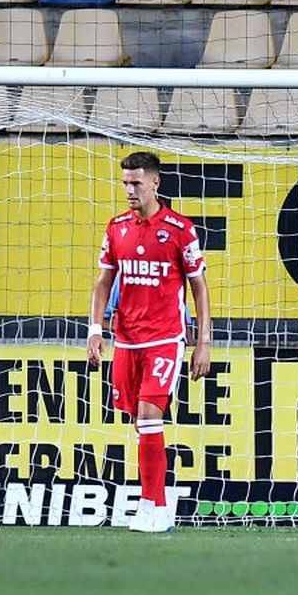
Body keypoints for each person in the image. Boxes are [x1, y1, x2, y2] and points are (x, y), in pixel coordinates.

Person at [87, 151, 211, 533]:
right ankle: (150, 502)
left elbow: (200, 289)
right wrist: (95, 329)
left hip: (165, 338)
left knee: (149, 416)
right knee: (139, 424)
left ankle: (155, 507)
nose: (129, 189)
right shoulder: (116, 228)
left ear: (155, 183)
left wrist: (203, 342)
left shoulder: (180, 229)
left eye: (136, 182)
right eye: (125, 182)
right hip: (126, 340)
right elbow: (103, 282)